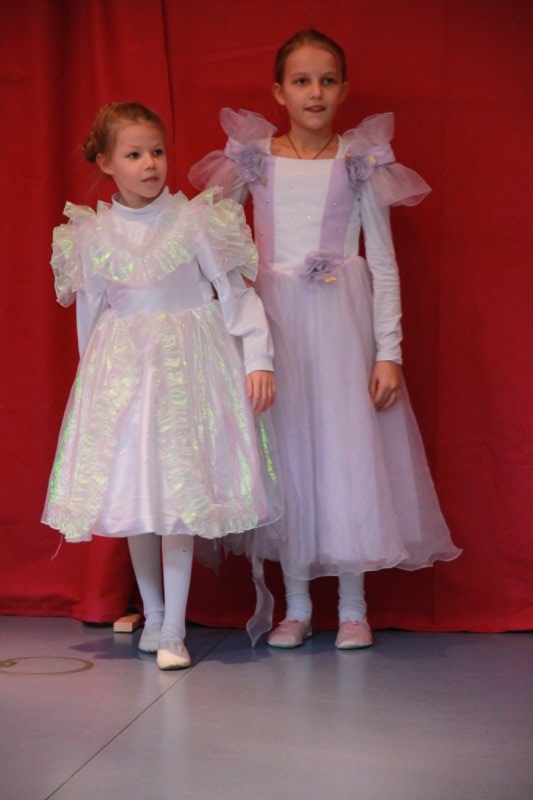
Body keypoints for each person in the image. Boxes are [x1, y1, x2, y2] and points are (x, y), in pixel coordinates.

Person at [189, 29, 461, 651]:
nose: (315, 92)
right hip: (275, 331)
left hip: (342, 330)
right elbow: (213, 239)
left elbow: (383, 263)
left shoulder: (359, 164)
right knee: (287, 456)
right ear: (278, 92)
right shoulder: (254, 161)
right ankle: (298, 604)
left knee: (345, 454)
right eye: (302, 81)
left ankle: (354, 605)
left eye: (327, 80)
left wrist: (388, 351)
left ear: (344, 90)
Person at [42, 101, 283, 669]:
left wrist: (259, 358)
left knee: (178, 500)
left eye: (157, 151)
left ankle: (174, 625)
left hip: (188, 376)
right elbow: (91, 317)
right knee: (138, 496)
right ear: (107, 163)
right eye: (134, 154)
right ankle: (152, 614)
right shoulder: (91, 234)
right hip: (127, 379)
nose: (150, 163)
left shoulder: (196, 220)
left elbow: (235, 293)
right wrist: (93, 388)